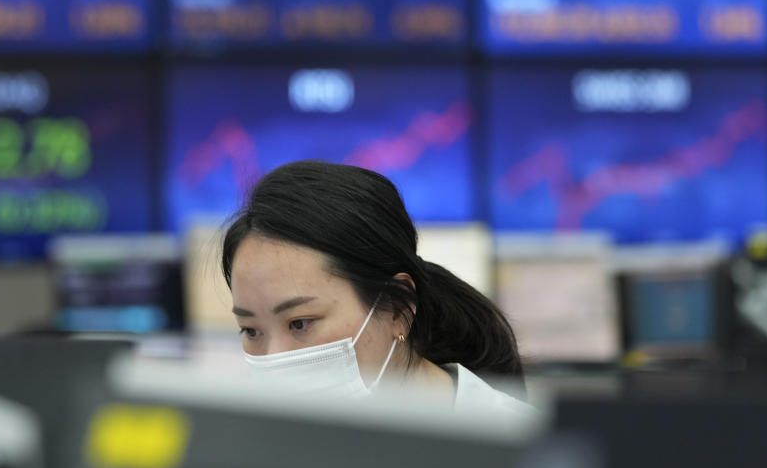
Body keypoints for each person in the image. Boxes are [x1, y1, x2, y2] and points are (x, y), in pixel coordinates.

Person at [222, 160, 534, 417]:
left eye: (300, 323)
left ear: (398, 309)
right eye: (251, 331)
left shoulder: (516, 449)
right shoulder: (247, 445)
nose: (275, 359)